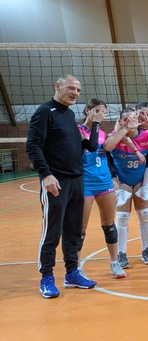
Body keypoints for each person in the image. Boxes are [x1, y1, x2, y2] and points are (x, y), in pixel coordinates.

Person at [26, 75, 97, 298]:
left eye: (78, 90)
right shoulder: (45, 112)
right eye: (71, 88)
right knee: (52, 232)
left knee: (74, 231)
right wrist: (46, 174)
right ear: (57, 87)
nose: (75, 93)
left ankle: (72, 273)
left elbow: (79, 146)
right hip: (56, 182)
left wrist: (92, 128)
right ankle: (46, 277)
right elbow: (33, 145)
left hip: (76, 180)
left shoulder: (69, 114)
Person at [77, 99, 126, 279]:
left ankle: (115, 263)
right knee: (80, 229)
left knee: (109, 225)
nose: (100, 114)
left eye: (103, 112)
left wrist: (113, 177)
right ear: (87, 111)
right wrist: (96, 123)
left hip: (104, 182)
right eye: (97, 110)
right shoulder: (78, 130)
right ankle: (75, 266)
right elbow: (89, 146)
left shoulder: (103, 134)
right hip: (86, 183)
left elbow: (108, 154)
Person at [110, 108, 148, 266]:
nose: (129, 121)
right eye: (125, 119)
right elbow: (106, 149)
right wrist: (113, 179)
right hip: (122, 181)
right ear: (120, 121)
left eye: (132, 118)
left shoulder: (146, 135)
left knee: (145, 214)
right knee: (122, 217)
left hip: (141, 180)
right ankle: (121, 254)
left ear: (137, 120)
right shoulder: (115, 136)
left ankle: (146, 251)